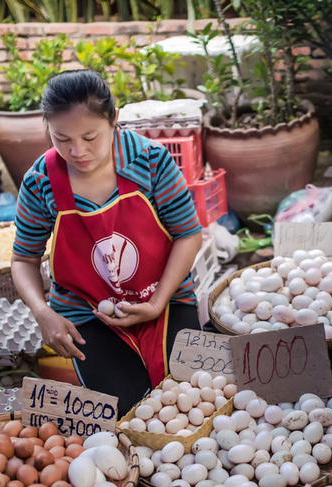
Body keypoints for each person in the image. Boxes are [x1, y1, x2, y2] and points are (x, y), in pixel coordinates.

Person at [11, 69, 203, 417]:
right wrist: (43, 313)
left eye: (89, 136)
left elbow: (188, 234)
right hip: (86, 312)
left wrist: (158, 302)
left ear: (114, 119)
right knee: (128, 410)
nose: (77, 151)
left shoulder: (150, 162)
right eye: (61, 138)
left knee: (190, 401)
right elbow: (23, 259)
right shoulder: (41, 181)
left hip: (165, 296)